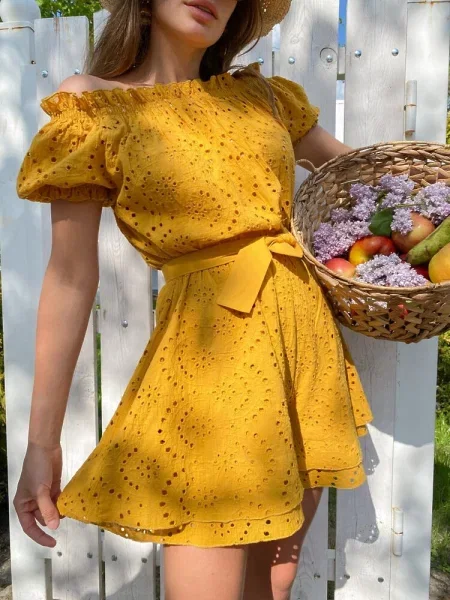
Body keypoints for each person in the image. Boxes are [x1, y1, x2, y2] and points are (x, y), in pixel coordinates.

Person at [13, 0, 374, 598]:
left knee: (273, 586)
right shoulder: (94, 106)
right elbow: (71, 278)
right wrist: (41, 443)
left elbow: (366, 178)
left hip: (301, 347)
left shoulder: (263, 98)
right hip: (210, 365)